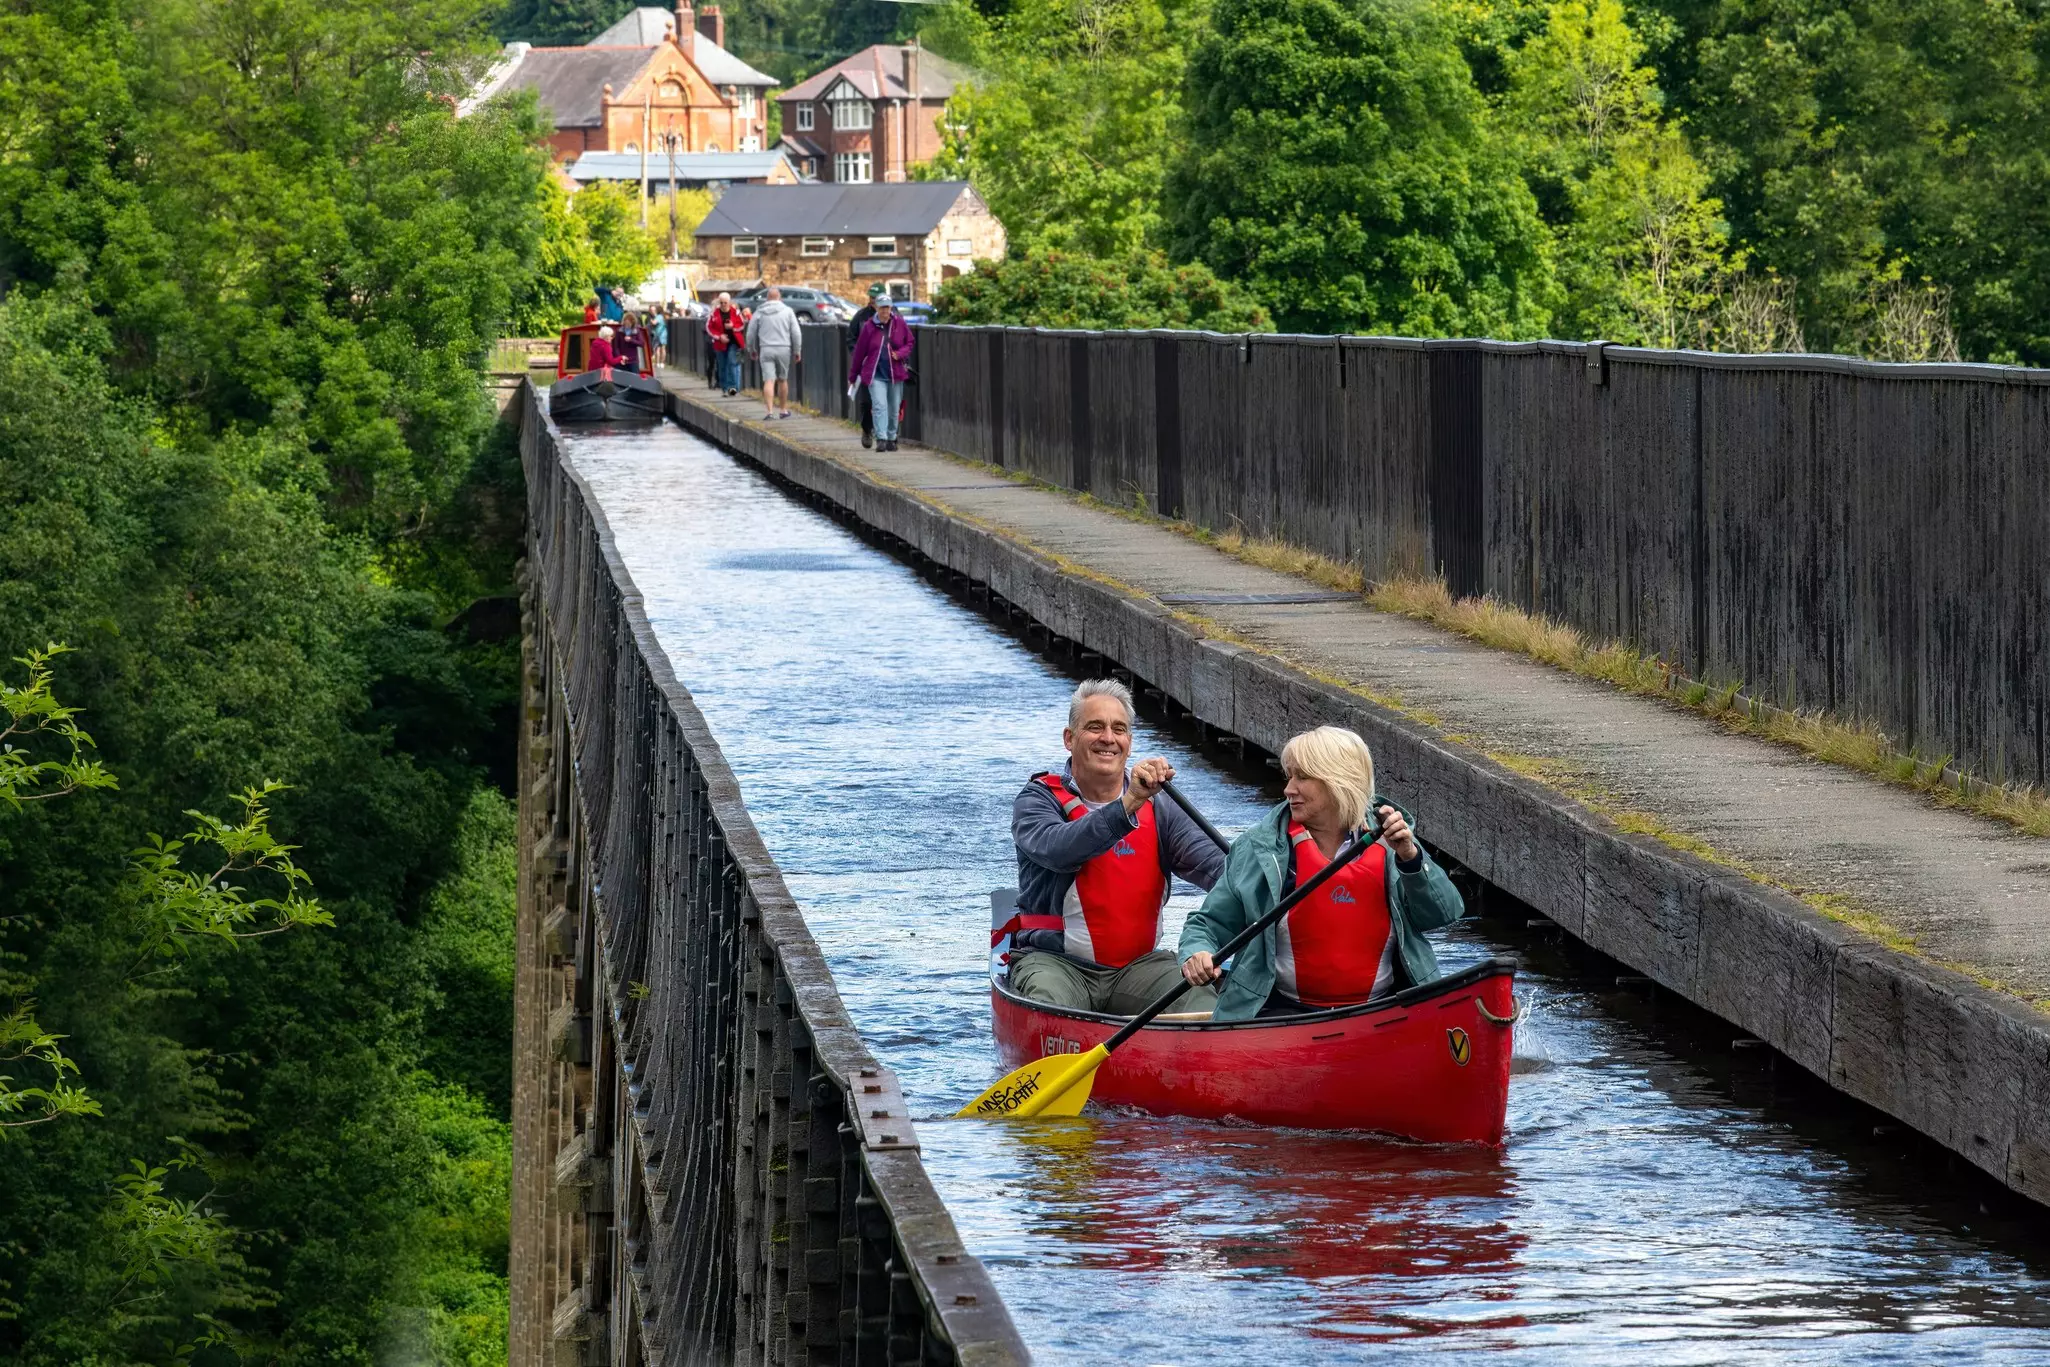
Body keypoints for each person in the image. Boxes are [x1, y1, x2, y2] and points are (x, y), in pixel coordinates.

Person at [1178, 726, 1465, 1019]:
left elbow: (1443, 913)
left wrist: (1410, 857)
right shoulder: (1259, 848)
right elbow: (1209, 924)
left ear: (1338, 781)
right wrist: (1197, 952)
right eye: (1289, 776)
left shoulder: (1392, 840)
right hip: (1281, 1012)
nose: (1289, 789)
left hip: (1383, 1011)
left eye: (1302, 777)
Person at [1006, 680, 1227, 1016]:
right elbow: (1061, 850)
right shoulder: (1037, 800)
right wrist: (1129, 803)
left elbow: (1218, 868)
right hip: (1057, 965)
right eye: (1094, 727)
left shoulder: (1161, 806)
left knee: (1203, 1001)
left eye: (1118, 729)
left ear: (1129, 741)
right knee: (1046, 1003)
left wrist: (1271, 878)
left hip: (1139, 970)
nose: (1108, 738)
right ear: (1069, 738)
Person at [847, 293, 913, 451]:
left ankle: (892, 437)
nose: (885, 311)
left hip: (895, 372)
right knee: (879, 405)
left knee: (894, 407)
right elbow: (859, 353)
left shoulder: (899, 323)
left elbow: (909, 342)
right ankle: (881, 438)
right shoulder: (869, 327)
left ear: (891, 308)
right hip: (875, 373)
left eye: (887, 307)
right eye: (882, 307)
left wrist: (901, 353)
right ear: (876, 307)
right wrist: (853, 375)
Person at [745, 285, 802, 420]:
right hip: (784, 348)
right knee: (782, 380)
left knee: (769, 380)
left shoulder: (759, 311)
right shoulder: (788, 311)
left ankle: (769, 412)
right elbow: (796, 333)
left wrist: (751, 349)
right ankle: (782, 410)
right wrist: (797, 350)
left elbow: (750, 333)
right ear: (779, 297)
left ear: (767, 298)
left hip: (766, 348)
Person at [845, 284, 885, 448]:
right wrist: (857, 356)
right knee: (867, 401)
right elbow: (851, 338)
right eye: (871, 297)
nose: (872, 300)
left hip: (886, 365)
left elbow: (903, 338)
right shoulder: (861, 317)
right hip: (867, 366)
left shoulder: (893, 316)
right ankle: (867, 429)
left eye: (875, 297)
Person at [706, 293, 745, 395]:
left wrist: (733, 326)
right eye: (721, 303)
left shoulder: (735, 312)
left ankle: (733, 388)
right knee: (722, 366)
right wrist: (719, 336)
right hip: (720, 343)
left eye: (725, 303)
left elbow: (742, 325)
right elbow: (709, 328)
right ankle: (724, 388)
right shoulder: (714, 313)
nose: (723, 305)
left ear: (729, 302)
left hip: (733, 342)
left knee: (732, 363)